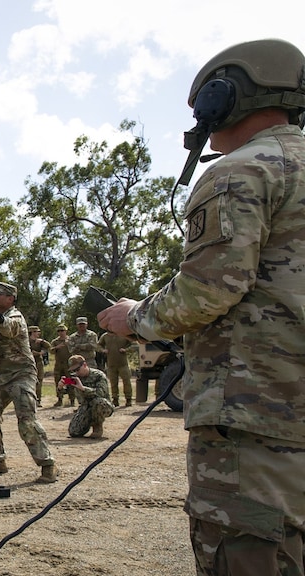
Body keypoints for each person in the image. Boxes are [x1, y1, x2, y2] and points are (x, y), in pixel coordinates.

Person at [97, 39, 305, 575]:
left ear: (222, 97)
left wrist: (135, 317)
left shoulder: (241, 171)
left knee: (248, 554)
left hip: (257, 418)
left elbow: (209, 290)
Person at [0, 281, 56, 484]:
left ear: (10, 299)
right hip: (0, 374)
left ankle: (48, 465)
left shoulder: (14, 316)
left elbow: (9, 328)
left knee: (26, 420)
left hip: (22, 373)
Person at [58, 355, 113, 439]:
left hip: (103, 406)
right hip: (85, 407)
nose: (76, 372)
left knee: (97, 402)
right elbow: (68, 393)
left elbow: (100, 393)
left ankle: (97, 426)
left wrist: (83, 389)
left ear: (84, 365)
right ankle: (87, 423)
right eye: (73, 371)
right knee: (74, 432)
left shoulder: (98, 375)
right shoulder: (76, 379)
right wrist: (60, 387)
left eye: (77, 369)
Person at [97, 331, 133, 407]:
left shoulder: (123, 334)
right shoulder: (105, 336)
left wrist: (126, 349)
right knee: (113, 383)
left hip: (123, 364)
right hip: (111, 364)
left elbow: (134, 345)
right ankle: (115, 399)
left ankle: (128, 399)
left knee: (127, 382)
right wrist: (103, 350)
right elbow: (98, 345)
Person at [50, 324, 75, 407]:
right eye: (59, 331)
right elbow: (51, 351)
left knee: (70, 381)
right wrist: (57, 347)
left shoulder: (71, 340)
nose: (61, 333)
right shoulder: (55, 341)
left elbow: (75, 350)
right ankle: (59, 399)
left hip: (69, 365)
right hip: (59, 365)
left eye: (62, 331)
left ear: (66, 331)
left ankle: (72, 400)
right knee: (58, 382)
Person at [27, 325, 52, 407]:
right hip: (29, 364)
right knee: (29, 382)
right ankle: (30, 400)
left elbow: (49, 347)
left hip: (39, 363)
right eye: (37, 332)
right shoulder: (27, 341)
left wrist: (42, 341)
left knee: (39, 381)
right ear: (32, 332)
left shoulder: (40, 341)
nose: (38, 333)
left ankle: (38, 400)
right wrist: (38, 353)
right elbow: (29, 352)